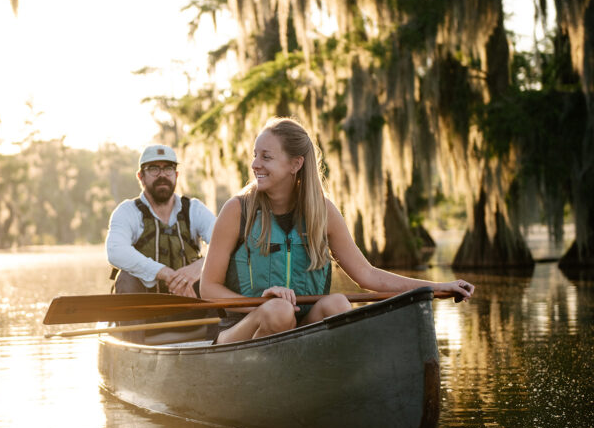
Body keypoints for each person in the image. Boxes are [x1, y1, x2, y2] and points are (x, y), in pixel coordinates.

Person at [201, 117, 474, 344]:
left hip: (298, 330)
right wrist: (258, 304)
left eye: (266, 157)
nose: (255, 164)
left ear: (295, 164)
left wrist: (438, 287)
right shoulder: (238, 210)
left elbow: (367, 276)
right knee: (279, 311)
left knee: (338, 304)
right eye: (255, 155)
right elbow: (208, 287)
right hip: (238, 333)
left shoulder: (323, 212)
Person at [106, 144, 217, 297]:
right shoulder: (127, 211)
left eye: (168, 168)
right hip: (144, 306)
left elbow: (227, 243)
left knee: (219, 271)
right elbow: (115, 251)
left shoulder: (194, 209)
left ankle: (216, 320)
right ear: (141, 176)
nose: (162, 175)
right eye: (153, 169)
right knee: (126, 278)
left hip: (190, 298)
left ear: (176, 175)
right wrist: (164, 273)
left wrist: (200, 266)